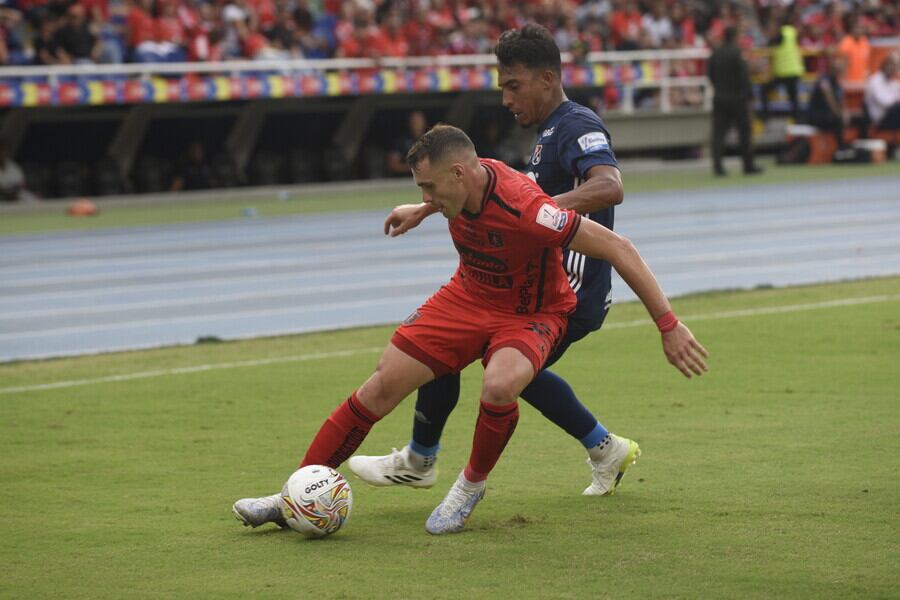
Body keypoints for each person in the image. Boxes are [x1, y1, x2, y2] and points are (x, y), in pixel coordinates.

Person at [233, 124, 708, 535]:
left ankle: (468, 488)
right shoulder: (460, 181)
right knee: (380, 387)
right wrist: (420, 209)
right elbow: (452, 195)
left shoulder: (528, 208)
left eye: (429, 188)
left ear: (458, 174)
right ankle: (291, 495)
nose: (425, 196)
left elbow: (619, 247)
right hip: (469, 296)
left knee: (501, 385)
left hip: (531, 311)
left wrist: (669, 325)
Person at [349, 24, 645, 497]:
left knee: (477, 358)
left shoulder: (577, 124)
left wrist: (538, 216)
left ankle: (422, 459)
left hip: (568, 287)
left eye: (514, 85)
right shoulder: (549, 132)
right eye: (502, 85)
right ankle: (603, 448)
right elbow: (489, 193)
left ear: (547, 78)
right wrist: (427, 207)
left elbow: (610, 187)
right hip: (536, 281)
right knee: (482, 359)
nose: (506, 98)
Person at [707, 26, 763, 177]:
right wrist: (750, 96)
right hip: (737, 98)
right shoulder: (737, 53)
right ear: (735, 36)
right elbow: (744, 76)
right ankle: (747, 165)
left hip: (720, 97)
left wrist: (719, 88)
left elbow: (710, 74)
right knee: (744, 132)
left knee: (718, 134)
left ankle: (718, 166)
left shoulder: (716, 53)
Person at [760, 10, 804, 121]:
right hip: (793, 71)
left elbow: (771, 43)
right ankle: (797, 120)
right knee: (793, 99)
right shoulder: (791, 31)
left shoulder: (779, 34)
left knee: (765, 90)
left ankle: (766, 116)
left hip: (785, 72)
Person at [806, 52, 849, 149]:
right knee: (837, 120)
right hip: (817, 116)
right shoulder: (824, 80)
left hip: (828, 115)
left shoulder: (837, 83)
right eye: (837, 69)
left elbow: (842, 101)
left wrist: (846, 113)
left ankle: (850, 145)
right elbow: (830, 99)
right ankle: (841, 148)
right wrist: (839, 114)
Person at [864, 53, 900, 133]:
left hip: (892, 115)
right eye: (892, 65)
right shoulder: (875, 80)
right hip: (881, 119)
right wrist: (896, 101)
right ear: (885, 65)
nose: (894, 68)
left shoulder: (892, 81)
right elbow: (885, 102)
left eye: (896, 66)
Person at [386, 110, 428, 176]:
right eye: (414, 121)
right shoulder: (401, 142)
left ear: (424, 122)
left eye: (419, 121)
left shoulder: (430, 141)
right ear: (409, 123)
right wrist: (413, 168)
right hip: (405, 180)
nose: (417, 124)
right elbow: (393, 164)